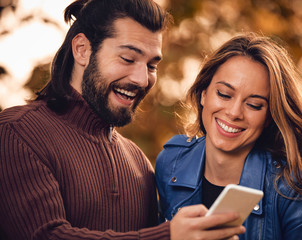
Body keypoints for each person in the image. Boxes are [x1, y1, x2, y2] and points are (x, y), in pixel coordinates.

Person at [0, 0, 246, 239]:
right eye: (128, 59)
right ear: (82, 50)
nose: (141, 79)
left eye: (151, 65)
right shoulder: (16, 133)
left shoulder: (139, 163)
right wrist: (168, 236)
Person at [155, 32, 302, 240]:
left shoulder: (290, 187)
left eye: (254, 105)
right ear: (204, 94)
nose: (234, 112)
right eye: (224, 94)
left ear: (269, 117)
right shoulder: (170, 163)